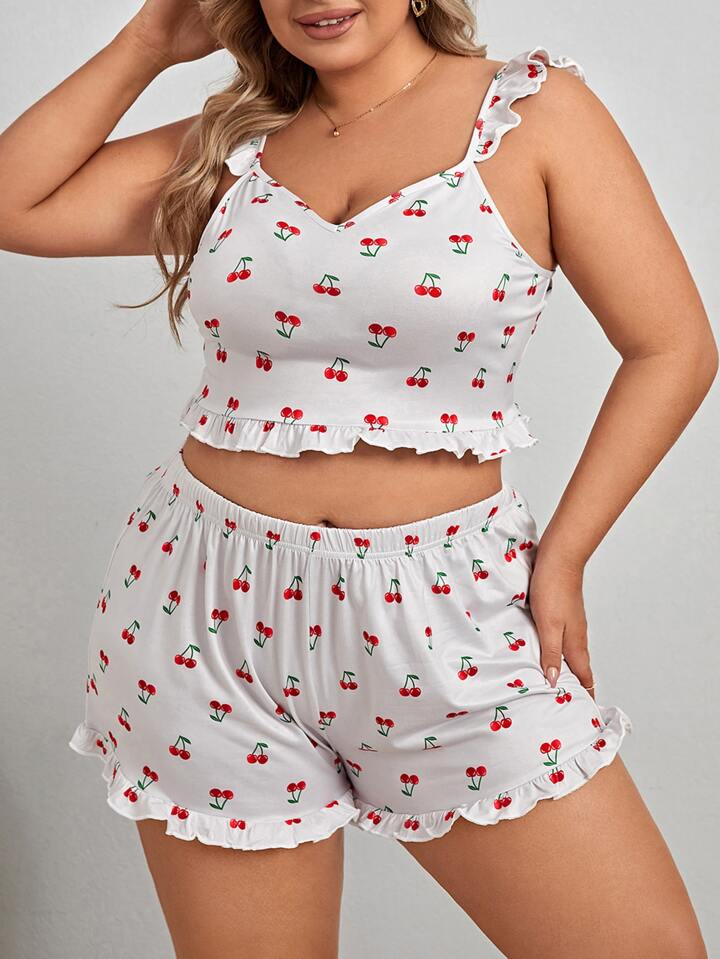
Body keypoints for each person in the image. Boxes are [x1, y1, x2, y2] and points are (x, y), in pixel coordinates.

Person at [0, 1, 715, 956]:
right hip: (200, 611)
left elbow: (672, 347)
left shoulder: (532, 114)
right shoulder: (237, 144)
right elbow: (14, 203)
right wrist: (148, 43)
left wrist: (566, 556)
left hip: (449, 611)